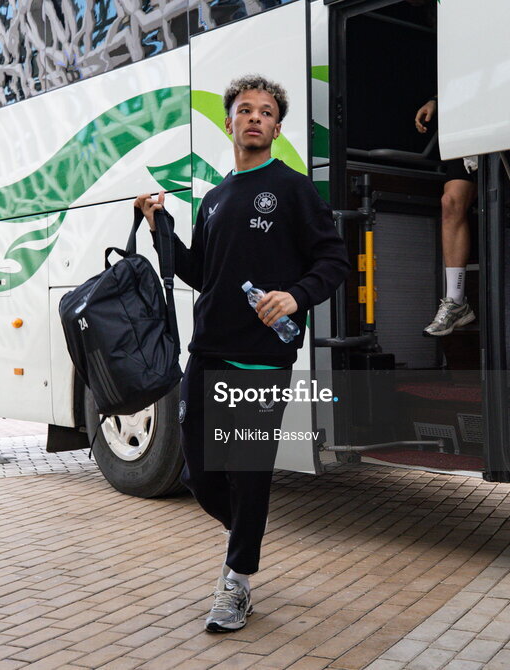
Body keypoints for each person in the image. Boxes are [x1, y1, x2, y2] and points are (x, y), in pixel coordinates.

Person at [135, 74, 349, 633]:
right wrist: (160, 225)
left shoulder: (296, 188)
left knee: (249, 473)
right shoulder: (214, 197)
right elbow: (203, 272)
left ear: (277, 128)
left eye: (266, 111)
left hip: (260, 357)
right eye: (245, 110)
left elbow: (333, 262)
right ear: (229, 122)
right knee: (199, 475)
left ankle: (237, 579)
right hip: (207, 352)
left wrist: (295, 296)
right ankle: (247, 533)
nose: (255, 117)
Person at [414, 95, 479, 337]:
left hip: (505, 119)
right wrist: (436, 100)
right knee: (450, 201)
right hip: (466, 124)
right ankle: (456, 302)